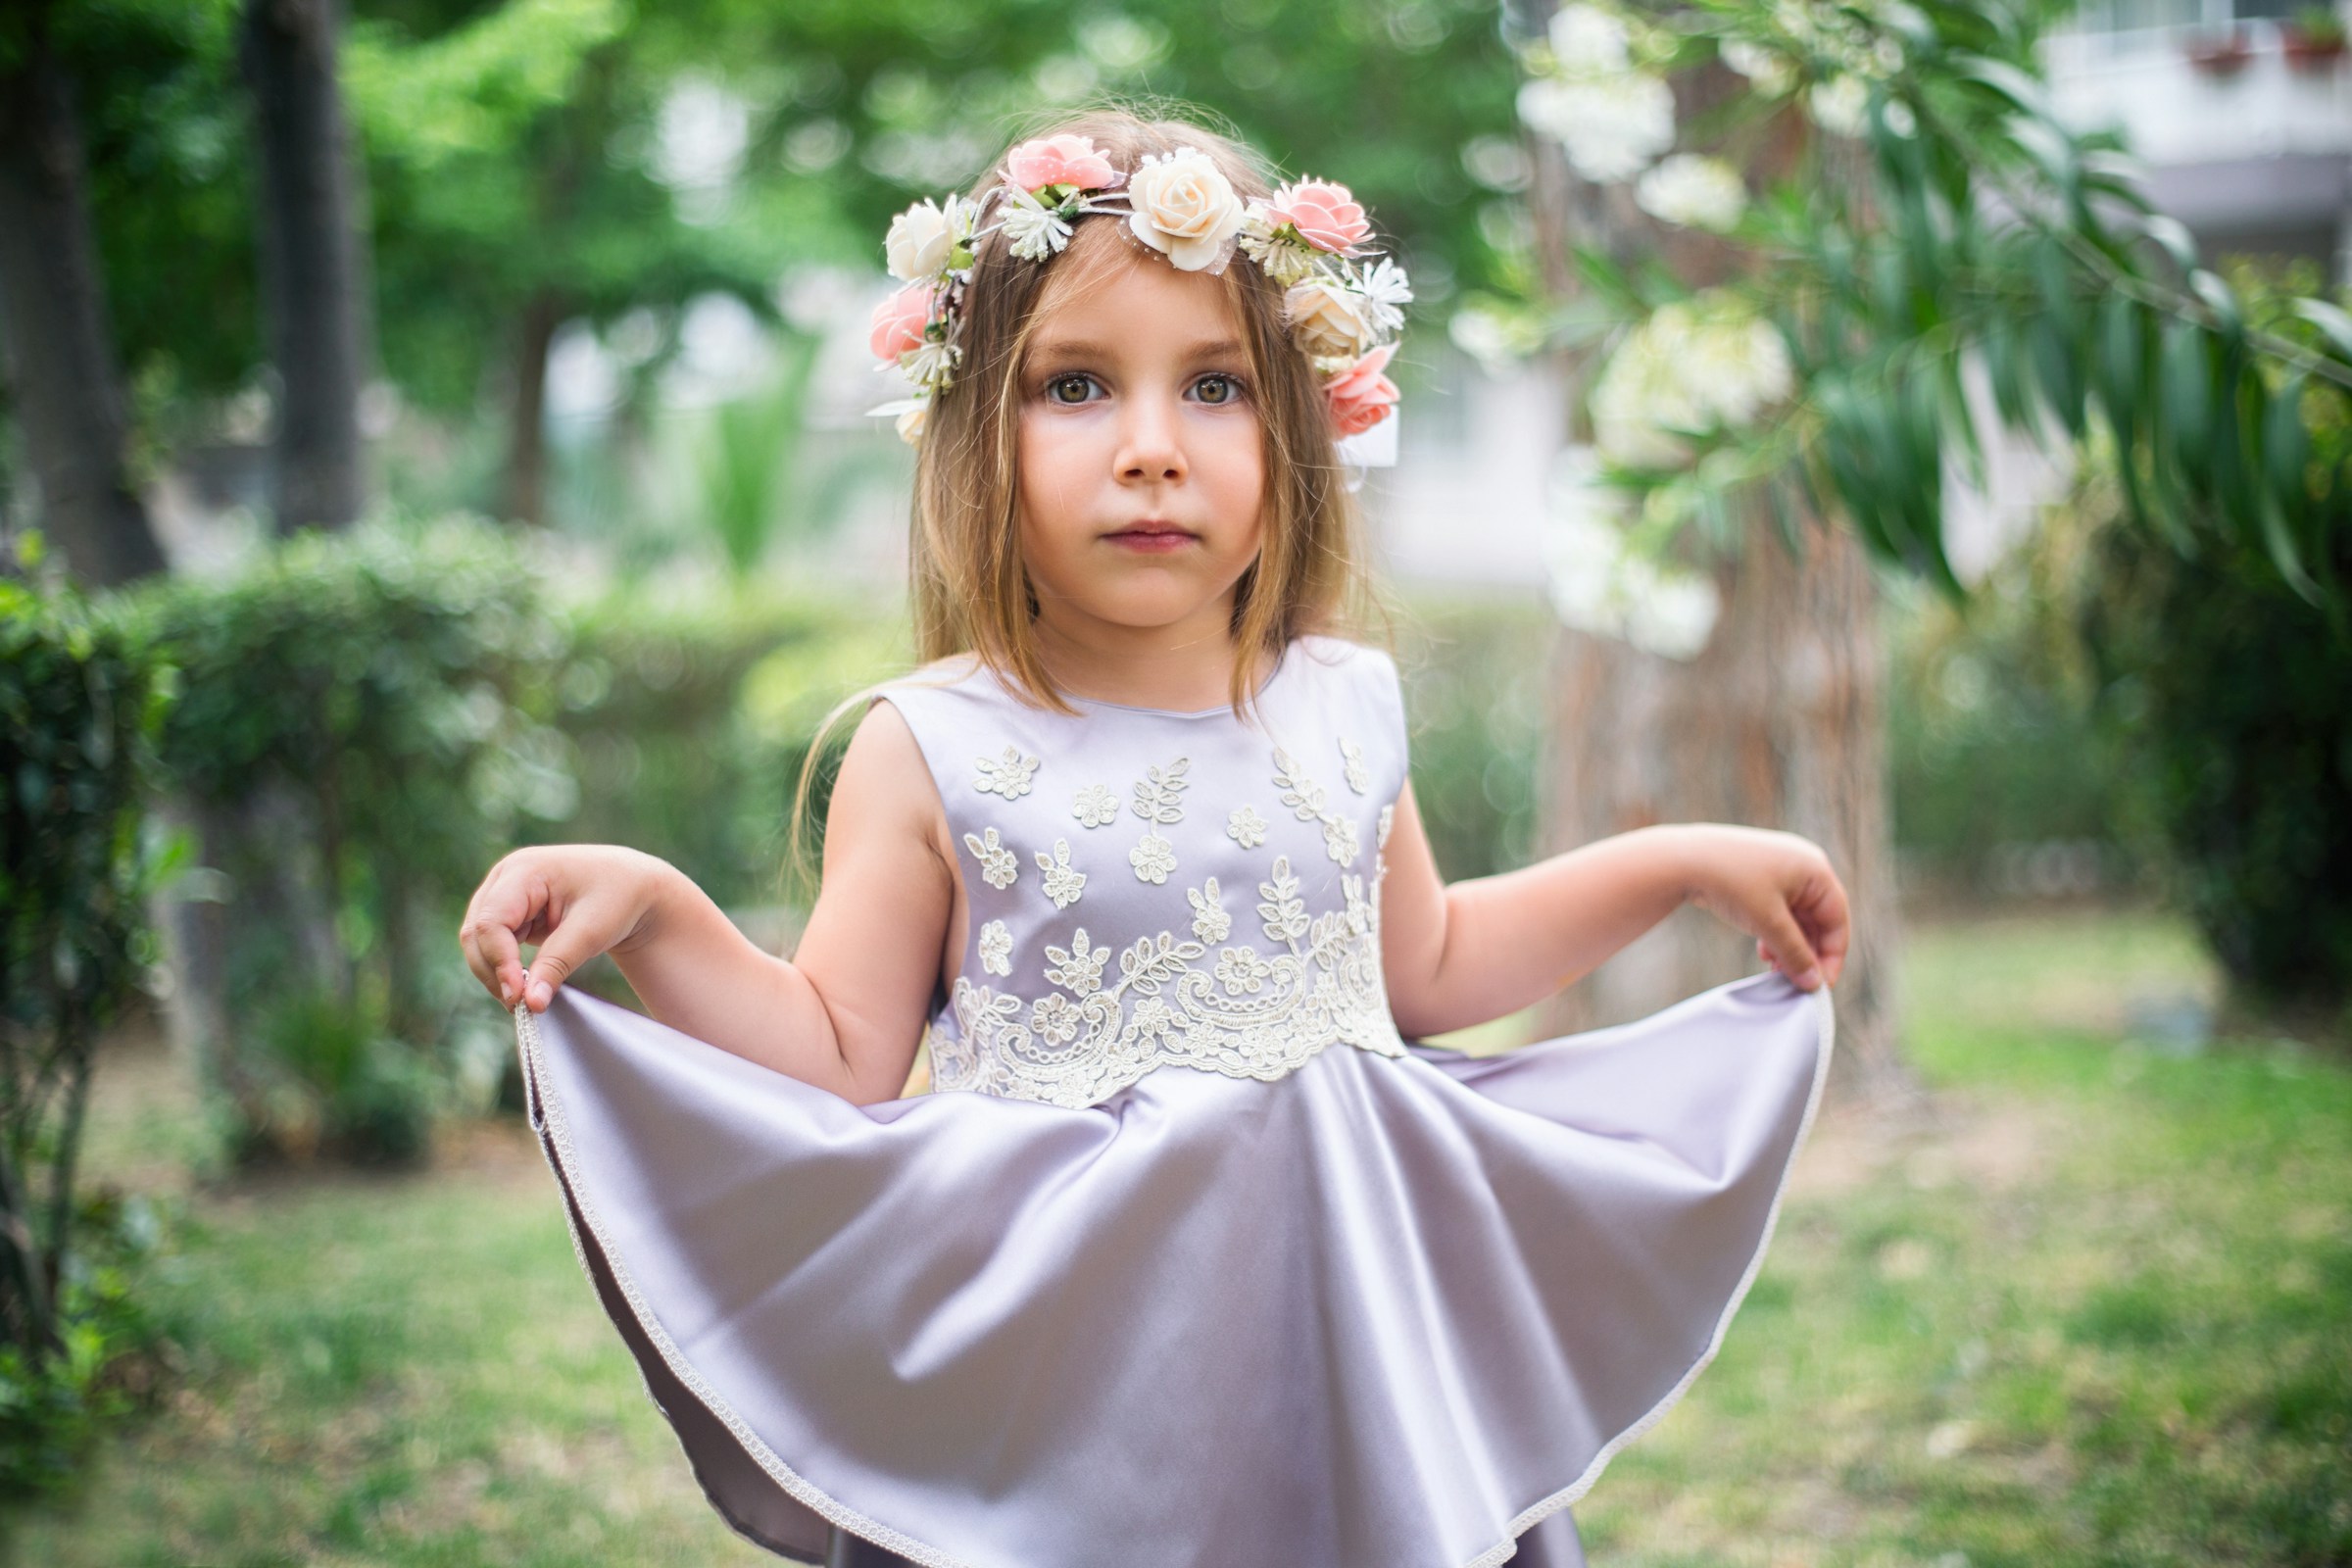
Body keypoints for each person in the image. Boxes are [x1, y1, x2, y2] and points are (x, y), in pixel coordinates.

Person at [459, 105, 1850, 1568]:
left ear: (1299, 424)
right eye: (1074, 385)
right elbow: (836, 1056)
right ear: (973, 422)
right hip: (1073, 1407)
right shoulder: (933, 748)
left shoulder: (1342, 706)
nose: (1149, 451)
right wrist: (662, 910)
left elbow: (1428, 964)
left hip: (1344, 1365)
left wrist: (1680, 862)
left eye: (1215, 387)